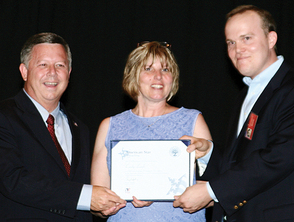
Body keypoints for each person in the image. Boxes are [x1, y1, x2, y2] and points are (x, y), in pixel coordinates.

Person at [173, 4, 294, 221]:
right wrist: (210, 153)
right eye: (230, 43)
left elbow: (278, 157)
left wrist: (211, 191)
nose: (237, 49)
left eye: (246, 38)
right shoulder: (245, 94)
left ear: (271, 39)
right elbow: (243, 159)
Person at [0, 32, 126, 221]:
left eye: (60, 65)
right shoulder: (5, 116)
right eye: (42, 64)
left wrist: (100, 207)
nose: (52, 72)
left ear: (69, 73)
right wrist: (85, 197)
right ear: (24, 71)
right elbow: (12, 180)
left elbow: (79, 191)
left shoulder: (79, 128)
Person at [91, 41, 213, 221]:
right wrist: (116, 202)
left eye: (165, 70)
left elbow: (219, 191)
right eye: (148, 69)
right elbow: (97, 203)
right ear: (133, 75)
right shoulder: (110, 126)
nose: (158, 76)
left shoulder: (193, 120)